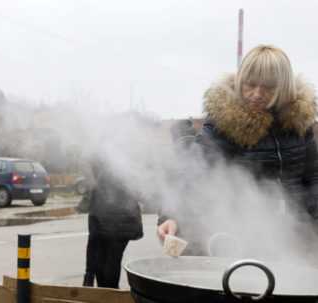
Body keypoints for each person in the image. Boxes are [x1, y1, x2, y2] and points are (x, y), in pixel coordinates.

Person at [157, 45, 318, 254]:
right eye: (250, 85)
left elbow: (313, 179)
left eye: (268, 87)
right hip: (238, 237)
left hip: (292, 238)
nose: (257, 94)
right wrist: (172, 215)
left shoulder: (298, 124)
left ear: (284, 88)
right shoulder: (224, 123)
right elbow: (193, 171)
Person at [84, 159, 143, 289]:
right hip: (117, 224)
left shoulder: (110, 172)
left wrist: (88, 275)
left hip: (119, 224)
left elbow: (93, 236)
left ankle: (110, 293)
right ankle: (109, 293)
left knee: (108, 265)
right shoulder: (105, 175)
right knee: (106, 263)